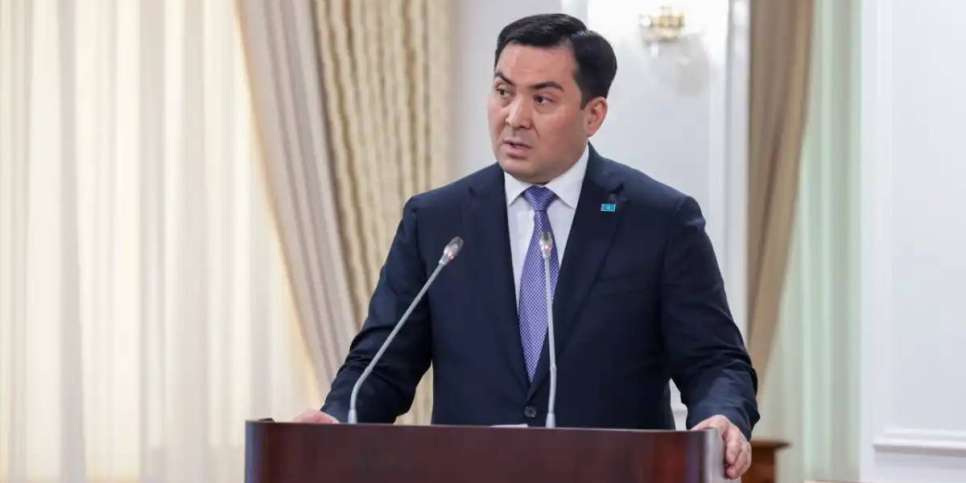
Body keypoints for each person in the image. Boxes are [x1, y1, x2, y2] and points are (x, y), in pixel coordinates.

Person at [295, 13, 758, 479]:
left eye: (542, 99)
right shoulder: (436, 221)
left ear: (593, 115)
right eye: (503, 92)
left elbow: (714, 360)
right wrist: (338, 419)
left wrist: (723, 415)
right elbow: (381, 362)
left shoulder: (658, 220)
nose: (514, 117)